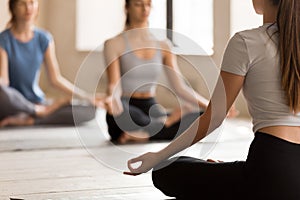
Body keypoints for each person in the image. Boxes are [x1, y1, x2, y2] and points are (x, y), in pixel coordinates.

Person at [126, 0, 300, 199]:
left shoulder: (246, 41)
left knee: (165, 170)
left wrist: (157, 156)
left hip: (270, 169)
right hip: (285, 177)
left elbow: (214, 117)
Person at [104, 0, 225, 144]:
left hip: (151, 107)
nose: (144, 9)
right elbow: (114, 84)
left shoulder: (163, 45)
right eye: (138, 4)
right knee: (117, 116)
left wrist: (212, 108)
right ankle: (166, 123)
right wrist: (113, 99)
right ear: (127, 8)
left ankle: (143, 132)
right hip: (126, 106)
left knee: (202, 118)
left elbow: (180, 88)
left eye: (148, 4)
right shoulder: (113, 43)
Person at [0, 0, 102, 127]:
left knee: (90, 110)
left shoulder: (44, 38)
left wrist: (86, 97)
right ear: (13, 8)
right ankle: (35, 112)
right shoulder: (3, 40)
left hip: (38, 102)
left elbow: (55, 79)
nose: (28, 8)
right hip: (12, 104)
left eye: (32, 2)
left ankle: (31, 120)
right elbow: (4, 82)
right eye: (22, 3)